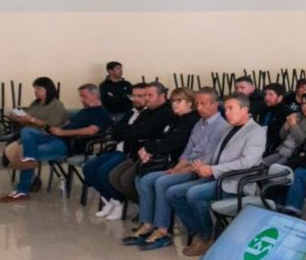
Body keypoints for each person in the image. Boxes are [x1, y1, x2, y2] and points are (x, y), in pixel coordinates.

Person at [126, 89, 228, 250]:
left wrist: (179, 171)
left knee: (162, 182)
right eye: (198, 104)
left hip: (199, 171)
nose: (199, 108)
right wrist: (176, 168)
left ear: (215, 104)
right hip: (186, 166)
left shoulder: (221, 126)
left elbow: (207, 159)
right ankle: (147, 224)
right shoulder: (199, 123)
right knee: (146, 179)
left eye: (203, 104)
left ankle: (162, 230)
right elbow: (188, 151)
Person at [167, 95, 265, 256]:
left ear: (245, 110)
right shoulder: (228, 128)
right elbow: (217, 154)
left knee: (194, 194)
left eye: (230, 108)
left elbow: (247, 162)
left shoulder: (256, 132)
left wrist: (213, 170)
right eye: (225, 108)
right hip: (217, 176)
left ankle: (205, 238)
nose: (226, 112)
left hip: (235, 182)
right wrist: (204, 166)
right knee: (173, 193)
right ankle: (197, 231)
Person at [1, 85, 112, 203]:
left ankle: (22, 191)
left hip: (68, 145)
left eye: (84, 96)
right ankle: (29, 160)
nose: (81, 100)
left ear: (94, 96)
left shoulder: (101, 113)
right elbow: (71, 124)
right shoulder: (85, 111)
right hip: (56, 137)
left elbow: (91, 131)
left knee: (29, 152)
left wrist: (63, 132)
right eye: (80, 96)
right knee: (26, 131)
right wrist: (58, 128)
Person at [121, 88, 201, 247]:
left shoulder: (191, 120)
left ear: (190, 103)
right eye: (173, 101)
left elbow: (174, 143)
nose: (175, 105)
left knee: (157, 181)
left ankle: (163, 230)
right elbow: (163, 139)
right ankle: (148, 223)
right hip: (170, 161)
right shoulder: (176, 118)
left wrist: (150, 149)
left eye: (179, 101)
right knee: (142, 179)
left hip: (185, 165)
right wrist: (150, 149)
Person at [95, 82, 174, 215]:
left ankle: (148, 209)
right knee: (114, 176)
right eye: (145, 95)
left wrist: (132, 131)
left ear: (162, 96)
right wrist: (132, 131)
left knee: (125, 180)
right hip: (135, 153)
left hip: (155, 157)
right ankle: (142, 206)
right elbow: (122, 130)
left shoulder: (166, 112)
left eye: (150, 95)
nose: (147, 98)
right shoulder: (147, 111)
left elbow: (144, 131)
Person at [81, 82, 147, 217]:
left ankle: (119, 201)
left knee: (103, 170)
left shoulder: (148, 114)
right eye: (134, 96)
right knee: (88, 168)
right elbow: (115, 131)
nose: (136, 99)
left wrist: (126, 132)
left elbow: (135, 133)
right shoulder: (131, 112)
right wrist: (126, 131)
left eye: (141, 96)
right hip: (118, 147)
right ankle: (110, 199)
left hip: (129, 151)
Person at [3, 77, 68, 160]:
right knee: (17, 143)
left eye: (39, 88)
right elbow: (27, 120)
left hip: (45, 135)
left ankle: (27, 159)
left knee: (25, 135)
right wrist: (18, 118)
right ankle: (27, 159)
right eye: (34, 88)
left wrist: (31, 119)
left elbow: (52, 126)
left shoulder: (56, 105)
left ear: (48, 89)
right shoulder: (35, 103)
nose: (35, 91)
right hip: (28, 135)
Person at [258, 83, 291, 154]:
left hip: (274, 147)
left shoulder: (287, 113)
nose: (266, 97)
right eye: (265, 94)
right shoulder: (264, 110)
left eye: (270, 94)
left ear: (280, 97)